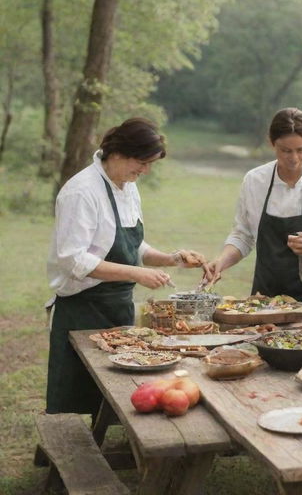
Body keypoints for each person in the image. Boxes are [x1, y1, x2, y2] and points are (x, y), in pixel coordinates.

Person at [46, 117, 212, 416]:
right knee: (73, 393)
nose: (145, 171)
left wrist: (173, 258)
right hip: (82, 307)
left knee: (120, 389)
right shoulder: (81, 192)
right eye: (142, 162)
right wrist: (136, 273)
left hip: (118, 307)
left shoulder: (127, 186)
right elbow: (73, 259)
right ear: (119, 152)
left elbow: (134, 246)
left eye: (150, 164)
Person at [206, 108, 302, 308]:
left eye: (301, 150)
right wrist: (221, 262)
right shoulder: (254, 181)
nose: (294, 158)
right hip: (263, 299)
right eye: (285, 150)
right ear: (271, 143)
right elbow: (243, 235)